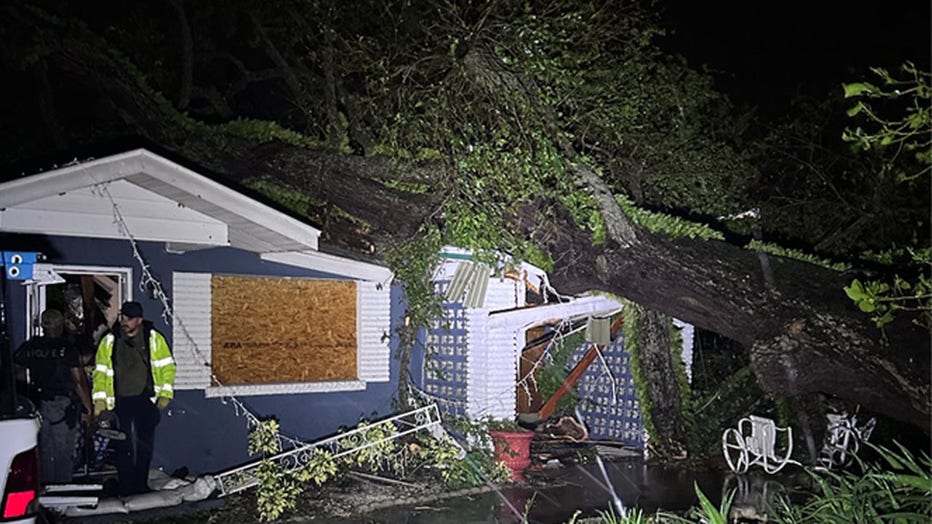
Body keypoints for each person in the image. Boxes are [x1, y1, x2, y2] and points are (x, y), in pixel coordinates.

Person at [93, 301, 175, 495]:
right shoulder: (110, 340)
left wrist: (164, 396)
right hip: (120, 402)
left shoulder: (154, 339)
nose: (124, 322)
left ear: (139, 320)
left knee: (144, 445)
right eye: (122, 317)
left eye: (129, 319)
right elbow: (101, 372)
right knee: (123, 446)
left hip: (146, 400)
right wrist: (100, 402)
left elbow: (167, 368)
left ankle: (140, 485)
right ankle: (126, 487)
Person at [14, 309, 93, 484]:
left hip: (38, 403)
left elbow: (14, 370)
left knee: (44, 450)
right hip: (61, 405)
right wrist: (88, 409)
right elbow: (79, 382)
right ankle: (61, 491)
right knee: (63, 450)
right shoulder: (66, 349)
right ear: (60, 325)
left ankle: (45, 489)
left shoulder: (31, 347)